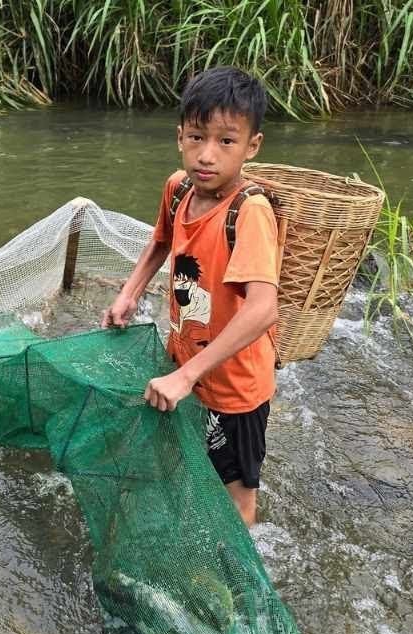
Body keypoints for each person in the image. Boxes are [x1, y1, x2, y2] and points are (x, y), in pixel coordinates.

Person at [101, 66, 280, 528]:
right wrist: (129, 294)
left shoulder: (250, 212)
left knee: (237, 494)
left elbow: (263, 308)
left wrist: (184, 377)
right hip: (185, 362)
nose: (207, 155)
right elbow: (160, 242)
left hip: (234, 388)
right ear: (180, 136)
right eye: (197, 137)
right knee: (185, 460)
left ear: (252, 146)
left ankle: (237, 565)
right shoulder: (178, 187)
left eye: (226, 141)